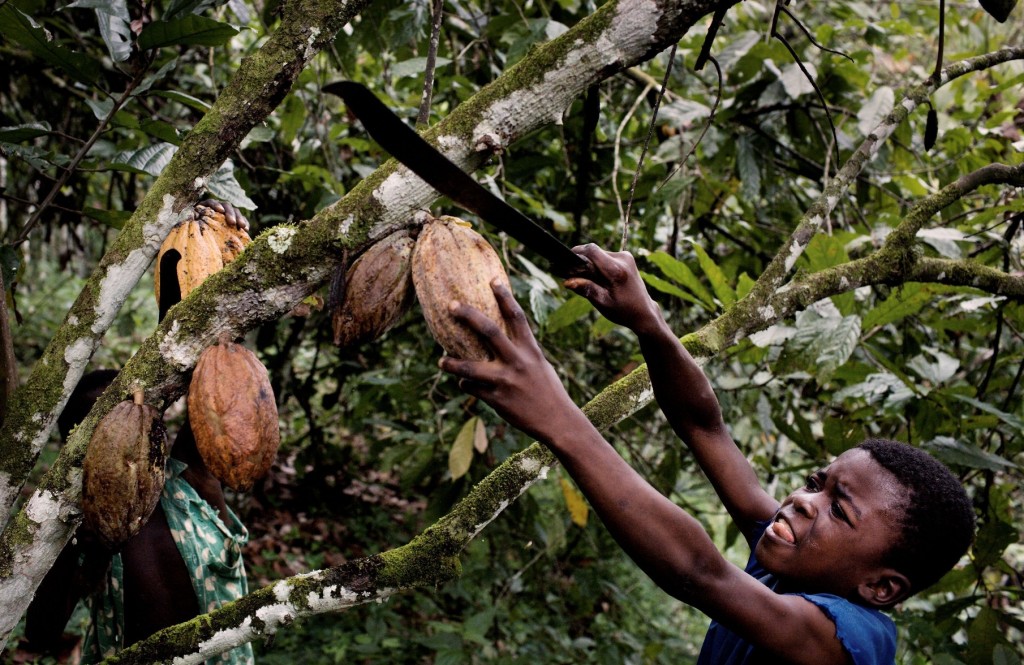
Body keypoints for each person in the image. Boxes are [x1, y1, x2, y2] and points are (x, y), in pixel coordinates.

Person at [439, 244, 976, 664]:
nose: (804, 500)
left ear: (879, 586)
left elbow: (700, 571)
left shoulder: (850, 639)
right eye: (817, 482)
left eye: (839, 510)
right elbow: (705, 426)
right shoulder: (795, 560)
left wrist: (558, 419)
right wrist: (648, 320)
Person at [24, 199, 255, 664]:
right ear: (77, 448)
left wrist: (195, 246)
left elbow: (211, 371)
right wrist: (79, 550)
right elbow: (42, 633)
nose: (126, 438)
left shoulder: (191, 482)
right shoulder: (82, 528)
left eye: (138, 422)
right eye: (105, 430)